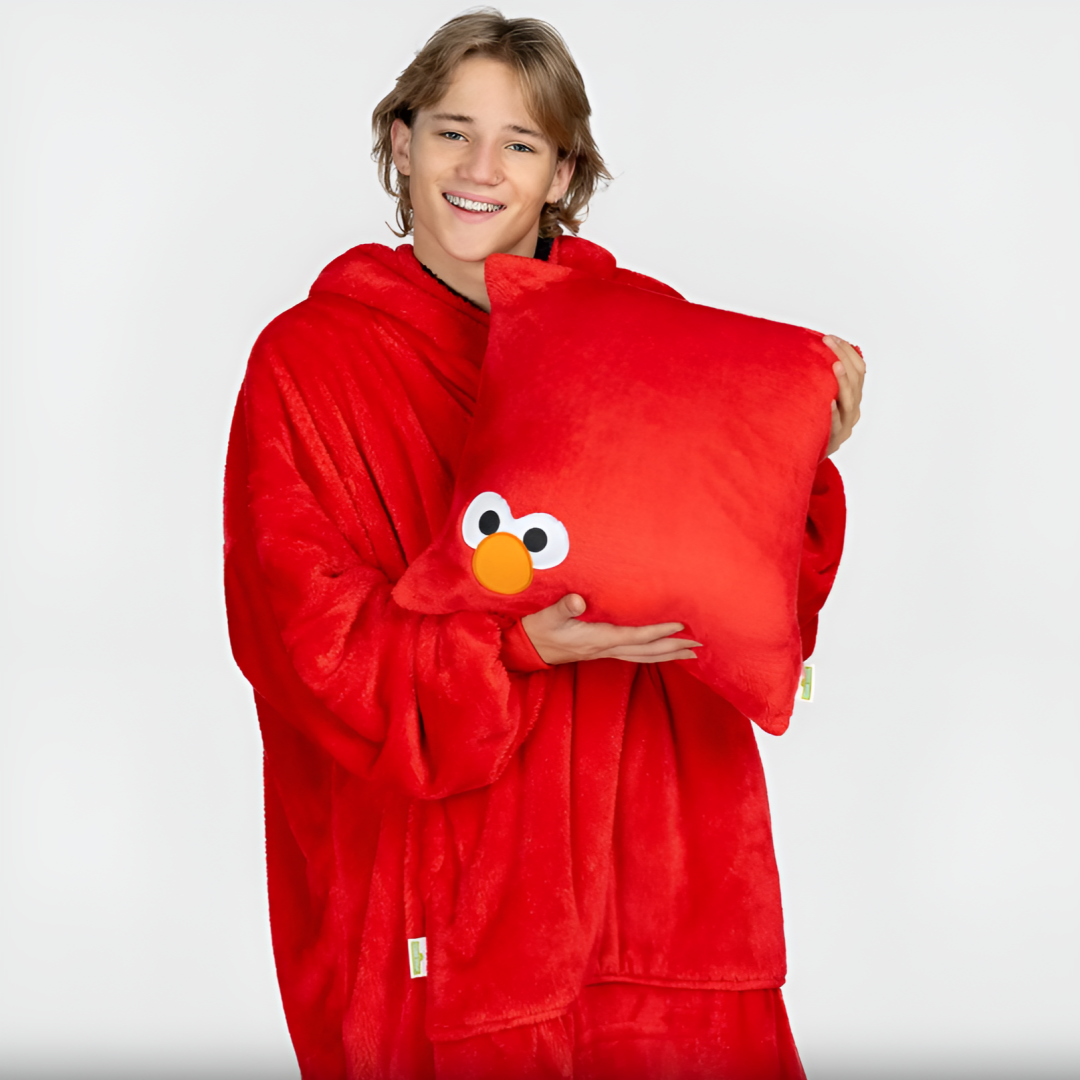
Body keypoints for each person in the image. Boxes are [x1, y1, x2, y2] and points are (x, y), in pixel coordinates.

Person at [224, 10, 864, 1079]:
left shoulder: (646, 331)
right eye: (451, 133)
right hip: (457, 905)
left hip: (664, 882)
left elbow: (757, 602)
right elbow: (302, 644)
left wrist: (800, 454)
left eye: (519, 144)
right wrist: (511, 649)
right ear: (400, 144)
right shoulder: (311, 361)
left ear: (562, 173)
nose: (480, 170)